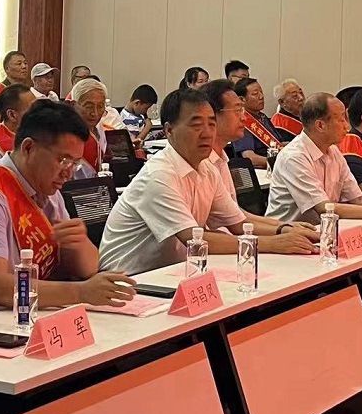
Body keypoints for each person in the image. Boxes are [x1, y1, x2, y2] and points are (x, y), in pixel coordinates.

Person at [98, 88, 316, 275]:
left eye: (211, 124)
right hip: (130, 280)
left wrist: (285, 230)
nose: (206, 133)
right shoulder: (159, 175)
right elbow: (194, 239)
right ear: (169, 130)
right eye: (196, 125)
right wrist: (272, 243)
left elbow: (238, 223)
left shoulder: (207, 168)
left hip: (173, 273)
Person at [0, 100, 137, 311]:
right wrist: (80, 293)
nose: (69, 173)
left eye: (75, 163)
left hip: (35, 312)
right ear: (28, 147)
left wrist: (78, 242)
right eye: (63, 160)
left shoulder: (46, 187)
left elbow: (89, 269)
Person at [202, 79, 319, 237]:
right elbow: (230, 225)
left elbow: (238, 215)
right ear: (212, 116)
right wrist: (281, 232)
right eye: (238, 110)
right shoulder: (203, 163)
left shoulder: (221, 159)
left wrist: (286, 226)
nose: (244, 118)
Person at [266, 92, 362, 224]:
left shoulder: (333, 151)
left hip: (322, 228)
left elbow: (358, 199)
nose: (347, 126)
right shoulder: (294, 157)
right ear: (320, 125)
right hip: (287, 232)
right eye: (341, 119)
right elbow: (324, 208)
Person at [231, 78, 279, 168]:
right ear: (242, 99)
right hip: (263, 170)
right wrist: (278, 163)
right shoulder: (242, 122)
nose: (261, 96)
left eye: (261, 92)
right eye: (255, 94)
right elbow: (250, 158)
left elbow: (278, 143)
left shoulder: (262, 117)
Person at [69, 78, 110, 176]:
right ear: (73, 105)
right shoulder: (66, 134)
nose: (95, 113)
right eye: (89, 107)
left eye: (100, 107)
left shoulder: (100, 129)